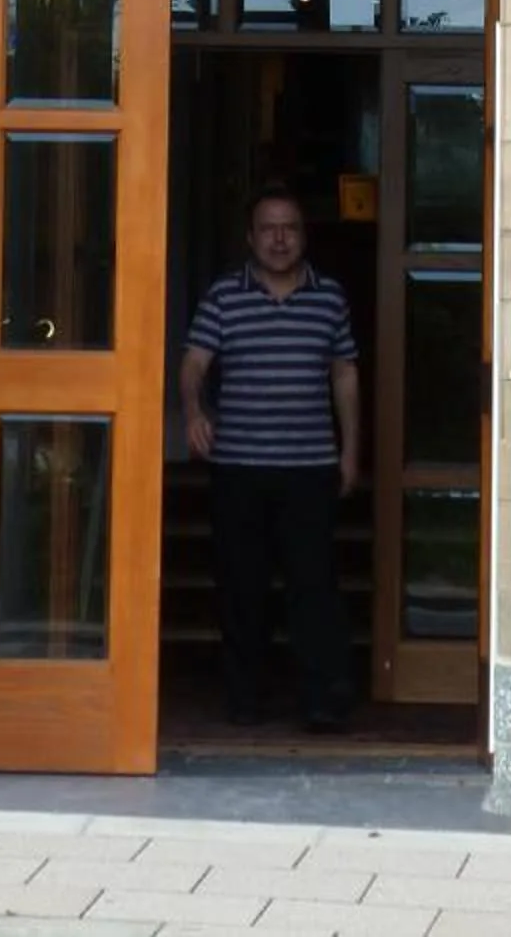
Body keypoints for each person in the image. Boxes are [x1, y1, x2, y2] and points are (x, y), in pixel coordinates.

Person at [179, 186, 360, 730]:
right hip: (239, 467)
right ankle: (244, 700)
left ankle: (321, 702)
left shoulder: (329, 297)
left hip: (309, 467)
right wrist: (193, 412)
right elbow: (193, 364)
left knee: (314, 589)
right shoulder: (223, 297)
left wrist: (352, 452)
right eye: (268, 228)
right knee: (242, 587)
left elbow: (345, 374)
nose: (280, 239)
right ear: (250, 237)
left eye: (290, 228)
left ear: (304, 235)